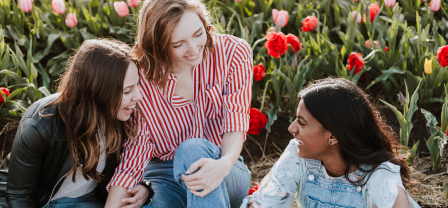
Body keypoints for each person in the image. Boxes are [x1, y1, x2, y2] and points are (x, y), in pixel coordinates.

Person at [105, 0, 253, 207]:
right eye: (178, 44)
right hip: (165, 174)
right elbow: (135, 154)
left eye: (198, 34)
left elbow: (235, 123)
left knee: (192, 149)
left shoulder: (233, 52)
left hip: (223, 165)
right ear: (158, 45)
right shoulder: (142, 79)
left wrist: (223, 164)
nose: (193, 50)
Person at [6, 39, 152, 208]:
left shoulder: (123, 118)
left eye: (138, 86)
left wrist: (144, 187)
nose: (138, 96)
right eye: (127, 91)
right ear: (98, 91)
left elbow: (134, 164)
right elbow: (19, 196)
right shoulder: (41, 125)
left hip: (88, 201)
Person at [241, 78, 421, 208]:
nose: (291, 128)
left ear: (333, 137)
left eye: (302, 123)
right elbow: (264, 202)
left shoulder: (380, 178)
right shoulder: (298, 155)